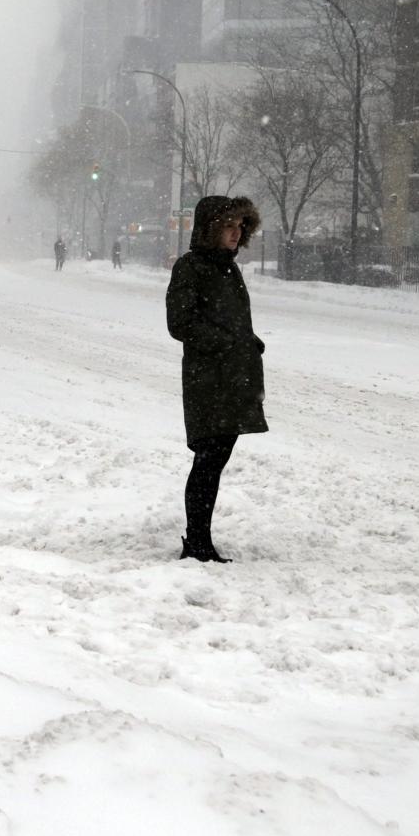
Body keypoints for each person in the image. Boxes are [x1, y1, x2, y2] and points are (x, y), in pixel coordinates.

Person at [164, 194, 265, 563]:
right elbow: (181, 322)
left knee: (215, 459)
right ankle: (197, 543)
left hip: (233, 376)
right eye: (228, 226)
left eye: (240, 226)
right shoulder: (191, 267)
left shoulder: (228, 268)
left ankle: (200, 539)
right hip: (208, 379)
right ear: (210, 229)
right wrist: (226, 343)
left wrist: (248, 341)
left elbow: (226, 319)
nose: (236, 232)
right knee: (208, 460)